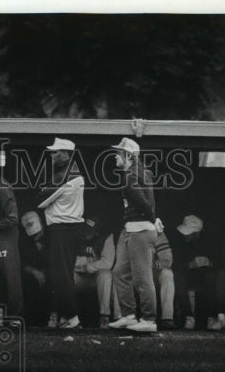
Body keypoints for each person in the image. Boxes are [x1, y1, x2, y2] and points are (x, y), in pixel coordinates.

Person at [108, 137, 159, 333]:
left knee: (141, 278)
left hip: (140, 231)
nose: (115, 156)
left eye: (118, 153)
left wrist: (152, 219)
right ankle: (129, 316)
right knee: (120, 272)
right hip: (134, 230)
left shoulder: (130, 175)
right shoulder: (141, 172)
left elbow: (143, 203)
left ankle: (149, 319)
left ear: (128, 155)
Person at [38, 137, 86, 329]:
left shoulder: (64, 176)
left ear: (66, 155)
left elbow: (40, 200)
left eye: (57, 152)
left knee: (62, 275)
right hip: (70, 229)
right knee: (63, 273)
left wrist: (43, 189)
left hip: (63, 229)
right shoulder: (71, 172)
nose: (53, 155)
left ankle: (73, 317)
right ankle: (67, 316)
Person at [0, 151, 23, 326]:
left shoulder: (2, 186)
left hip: (5, 237)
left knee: (10, 276)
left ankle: (14, 316)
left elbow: (13, 217)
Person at [164, 215, 209, 331]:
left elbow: (222, 260)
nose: (184, 234)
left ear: (196, 233)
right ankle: (188, 316)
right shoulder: (178, 241)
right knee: (178, 276)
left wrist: (209, 263)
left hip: (203, 274)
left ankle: (211, 317)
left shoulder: (207, 242)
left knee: (212, 276)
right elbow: (173, 263)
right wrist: (190, 265)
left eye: (188, 233)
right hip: (184, 274)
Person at [72, 216, 117, 328]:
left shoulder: (106, 237)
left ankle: (104, 317)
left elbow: (107, 262)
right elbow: (70, 261)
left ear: (97, 232)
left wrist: (89, 264)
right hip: (81, 276)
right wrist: (90, 261)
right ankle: (71, 317)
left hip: (96, 277)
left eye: (90, 232)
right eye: (85, 231)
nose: (86, 235)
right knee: (68, 275)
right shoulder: (77, 234)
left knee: (106, 275)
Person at [19, 211, 49, 327]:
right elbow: (22, 263)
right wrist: (34, 272)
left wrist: (45, 272)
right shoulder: (24, 241)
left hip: (48, 273)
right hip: (32, 275)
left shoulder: (51, 238)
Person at [152, 218, 176, 330]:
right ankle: (121, 316)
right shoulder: (128, 230)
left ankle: (167, 318)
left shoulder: (157, 230)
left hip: (150, 271)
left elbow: (167, 260)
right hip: (134, 271)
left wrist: (152, 264)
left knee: (167, 273)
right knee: (120, 273)